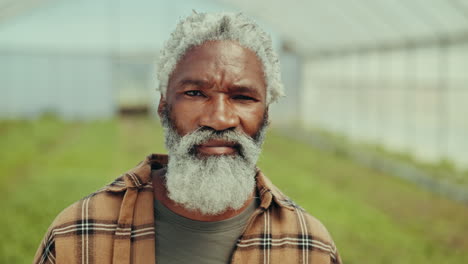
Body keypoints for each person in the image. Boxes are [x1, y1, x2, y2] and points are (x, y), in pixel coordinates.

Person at [34, 12, 342, 264]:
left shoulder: (309, 247)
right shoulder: (78, 235)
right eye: (195, 93)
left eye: (243, 97)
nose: (220, 119)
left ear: (267, 115)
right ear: (163, 107)